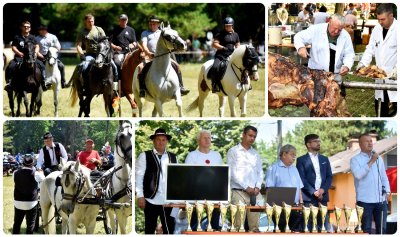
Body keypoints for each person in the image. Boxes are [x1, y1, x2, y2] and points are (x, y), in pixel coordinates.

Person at [356, 4, 397, 117]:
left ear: (391, 16)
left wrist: (396, 70)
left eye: (382, 19)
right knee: (380, 107)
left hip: (394, 76)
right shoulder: (377, 29)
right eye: (378, 19)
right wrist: (362, 63)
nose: (380, 22)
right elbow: (370, 48)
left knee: (395, 106)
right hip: (379, 75)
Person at [135, 128, 177, 234]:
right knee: (149, 229)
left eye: (163, 140)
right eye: (158, 139)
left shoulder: (173, 157)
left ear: (167, 141)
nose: (161, 142)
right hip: (150, 199)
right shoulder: (144, 155)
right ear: (153, 141)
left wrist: (177, 199)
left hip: (168, 201)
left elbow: (177, 179)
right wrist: (140, 196)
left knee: (170, 230)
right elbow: (139, 177)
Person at [138, 15, 190, 97]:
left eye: (154, 24)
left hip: (164, 56)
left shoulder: (163, 33)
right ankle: (142, 89)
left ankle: (181, 87)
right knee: (141, 68)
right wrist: (148, 53)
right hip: (150, 56)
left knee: (177, 66)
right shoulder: (145, 33)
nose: (152, 25)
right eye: (150, 24)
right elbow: (144, 45)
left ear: (158, 24)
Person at [350, 133, 391, 234]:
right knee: (366, 230)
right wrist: (371, 161)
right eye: (366, 141)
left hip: (380, 200)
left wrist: (388, 191)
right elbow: (358, 175)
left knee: (382, 229)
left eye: (371, 141)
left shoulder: (379, 159)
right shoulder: (355, 160)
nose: (370, 143)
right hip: (364, 201)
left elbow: (383, 176)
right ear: (360, 144)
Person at [227, 125, 263, 233]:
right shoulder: (233, 151)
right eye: (250, 135)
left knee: (255, 228)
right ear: (243, 135)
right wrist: (246, 187)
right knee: (238, 228)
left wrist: (258, 186)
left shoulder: (255, 153)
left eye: (254, 137)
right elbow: (232, 173)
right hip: (239, 192)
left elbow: (260, 172)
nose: (252, 138)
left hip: (255, 194)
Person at [185, 130, 223, 231]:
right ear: (198, 140)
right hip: (195, 196)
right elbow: (189, 176)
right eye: (204, 138)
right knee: (194, 226)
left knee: (215, 226)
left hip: (214, 195)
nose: (207, 140)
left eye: (209, 138)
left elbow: (221, 176)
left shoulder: (217, 155)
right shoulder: (191, 155)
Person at [296, 134, 332, 232]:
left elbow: (329, 177)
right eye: (316, 141)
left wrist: (322, 190)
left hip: (323, 197)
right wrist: (314, 192)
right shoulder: (301, 160)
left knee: (323, 226)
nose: (319, 143)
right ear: (308, 144)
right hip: (308, 198)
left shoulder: (325, 159)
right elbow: (302, 179)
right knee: (308, 226)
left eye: (319, 141)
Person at [265, 144, 303, 233]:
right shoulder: (273, 168)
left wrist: (301, 203)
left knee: (295, 232)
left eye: (295, 155)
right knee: (281, 232)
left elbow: (300, 187)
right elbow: (269, 188)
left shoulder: (295, 169)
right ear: (284, 154)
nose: (294, 157)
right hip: (279, 208)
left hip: (295, 208)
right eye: (292, 154)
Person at [75, 13, 118, 90]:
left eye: (92, 21)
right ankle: (84, 85)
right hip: (90, 54)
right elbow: (78, 45)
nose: (91, 23)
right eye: (89, 21)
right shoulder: (82, 32)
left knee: (114, 66)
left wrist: (115, 47)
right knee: (84, 66)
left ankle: (115, 87)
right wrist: (81, 54)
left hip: (102, 54)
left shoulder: (99, 29)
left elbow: (106, 42)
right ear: (85, 22)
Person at [4, 21, 46, 92]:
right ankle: (9, 83)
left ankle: (44, 82)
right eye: (25, 26)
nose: (26, 28)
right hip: (19, 57)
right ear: (21, 27)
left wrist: (35, 53)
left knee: (41, 65)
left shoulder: (33, 37)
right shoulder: (17, 37)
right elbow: (13, 47)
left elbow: (37, 46)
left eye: (28, 27)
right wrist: (19, 52)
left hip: (31, 58)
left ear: (30, 28)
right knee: (11, 65)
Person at [12, 155, 44, 234]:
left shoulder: (15, 173)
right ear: (32, 164)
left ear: (23, 163)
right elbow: (43, 179)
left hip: (18, 202)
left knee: (16, 224)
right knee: (30, 225)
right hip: (31, 203)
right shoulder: (36, 174)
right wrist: (41, 172)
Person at [209, 17, 240, 93]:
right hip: (221, 56)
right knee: (215, 67)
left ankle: (245, 83)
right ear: (224, 26)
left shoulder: (235, 35)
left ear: (232, 25)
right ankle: (214, 84)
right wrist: (223, 48)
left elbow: (238, 45)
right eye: (226, 25)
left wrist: (237, 49)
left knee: (242, 66)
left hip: (232, 56)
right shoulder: (220, 34)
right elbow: (214, 44)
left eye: (229, 25)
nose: (228, 27)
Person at [35, 24, 67, 88]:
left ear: (45, 30)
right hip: (41, 57)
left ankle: (63, 82)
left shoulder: (53, 37)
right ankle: (39, 83)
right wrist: (39, 55)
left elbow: (58, 46)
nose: (40, 31)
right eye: (39, 30)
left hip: (52, 57)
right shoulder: (36, 38)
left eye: (41, 30)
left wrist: (54, 50)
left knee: (61, 66)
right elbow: (36, 49)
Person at [111, 14, 137, 82]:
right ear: (119, 21)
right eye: (122, 20)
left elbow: (135, 42)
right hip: (119, 52)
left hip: (129, 52)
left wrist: (133, 45)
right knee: (117, 63)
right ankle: (118, 81)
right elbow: (109, 42)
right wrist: (115, 47)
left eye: (125, 19)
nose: (123, 21)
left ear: (127, 20)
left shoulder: (131, 30)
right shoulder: (115, 30)